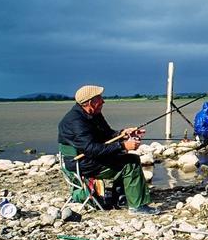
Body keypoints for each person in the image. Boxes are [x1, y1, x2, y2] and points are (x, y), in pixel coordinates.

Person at [58, 85, 159, 215]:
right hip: (81, 163)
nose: (103, 101)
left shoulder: (93, 113)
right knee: (131, 162)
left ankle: (121, 198)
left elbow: (108, 134)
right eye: (100, 98)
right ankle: (137, 207)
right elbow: (90, 149)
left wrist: (124, 133)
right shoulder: (75, 121)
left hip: (88, 158)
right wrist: (123, 146)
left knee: (124, 157)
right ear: (90, 102)